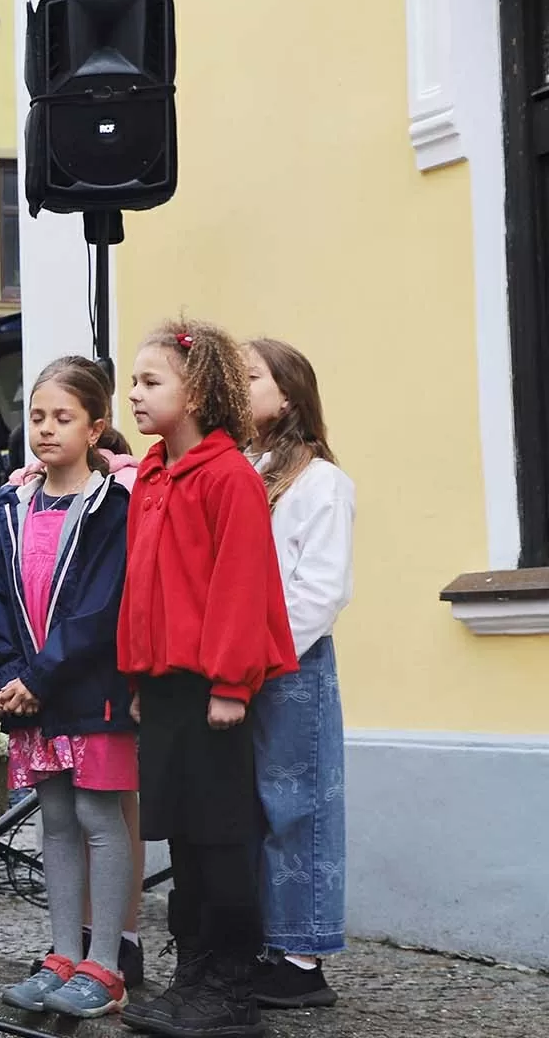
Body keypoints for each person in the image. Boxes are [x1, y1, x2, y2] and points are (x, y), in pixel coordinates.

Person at [117, 319, 296, 1038]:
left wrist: (230, 684)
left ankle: (231, 987)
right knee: (183, 838)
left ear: (194, 394)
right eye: (133, 381)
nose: (134, 394)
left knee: (219, 837)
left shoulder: (229, 477)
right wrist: (137, 675)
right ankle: (192, 974)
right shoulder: (153, 474)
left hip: (212, 688)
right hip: (164, 687)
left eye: (149, 382)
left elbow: (240, 587)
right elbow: (141, 586)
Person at [0, 358, 136, 1020]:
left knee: (99, 819)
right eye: (37, 417)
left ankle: (107, 964)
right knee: (58, 822)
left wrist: (39, 677)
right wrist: (8, 674)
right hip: (32, 698)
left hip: (89, 693)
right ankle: (64, 954)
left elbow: (99, 609)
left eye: (62, 418)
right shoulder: (12, 506)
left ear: (95, 428)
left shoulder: (111, 509)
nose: (45, 429)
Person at [245, 339, 354, 1009]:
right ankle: (266, 941)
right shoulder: (245, 469)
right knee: (255, 807)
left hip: (291, 660)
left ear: (287, 395)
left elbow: (320, 589)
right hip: (238, 661)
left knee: (298, 806)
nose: (238, 386)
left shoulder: (321, 482)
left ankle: (302, 959)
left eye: (251, 376)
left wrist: (260, 650)